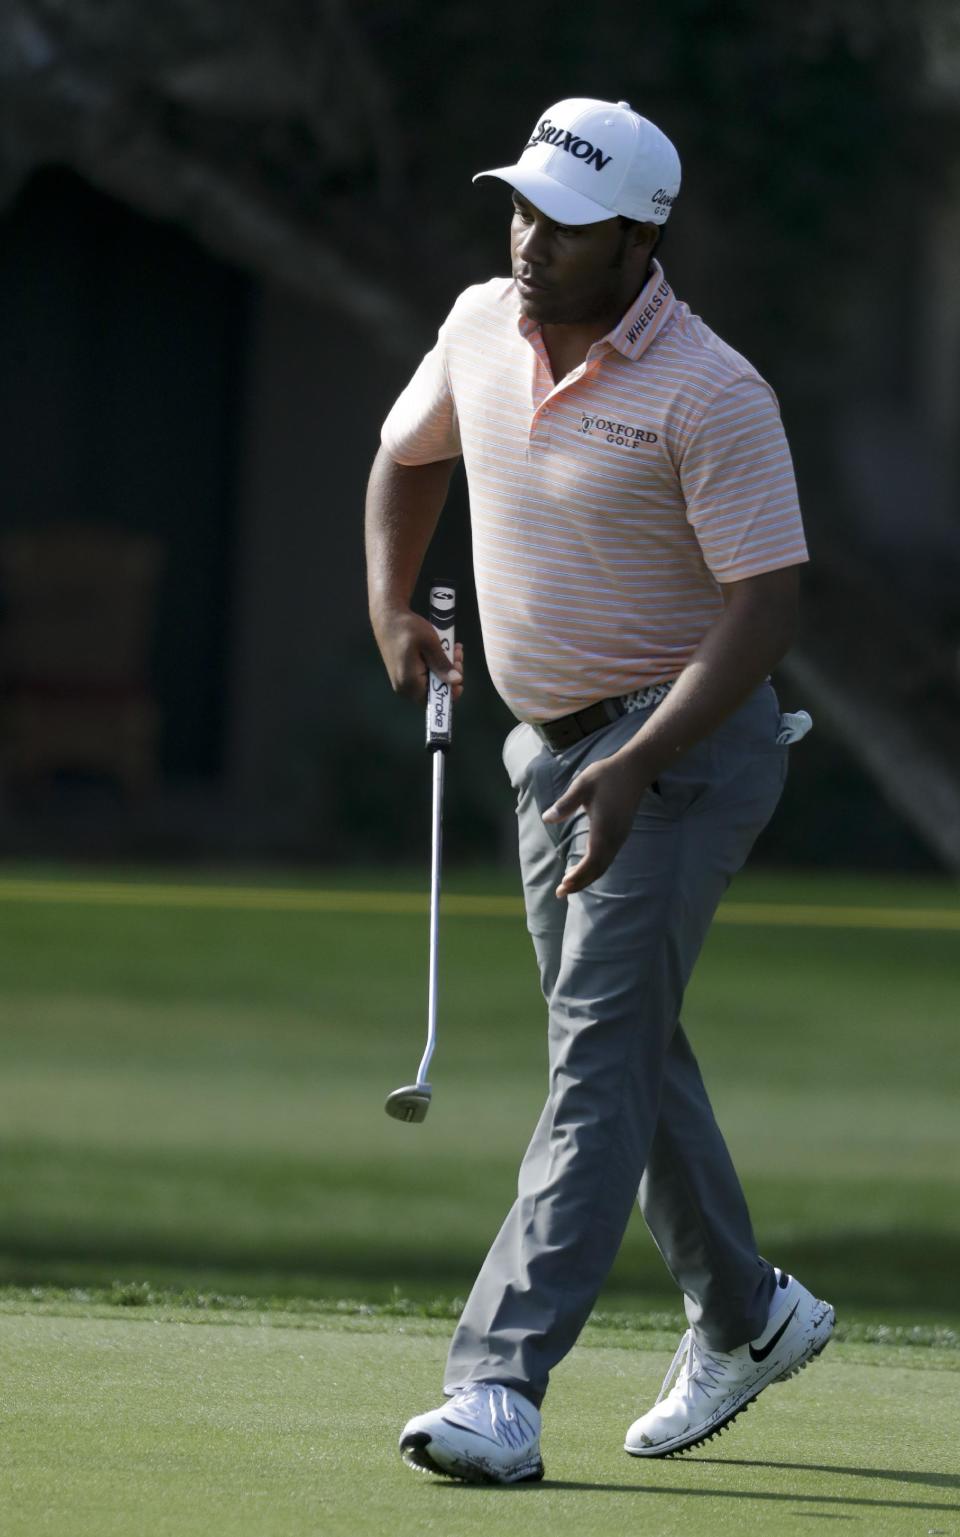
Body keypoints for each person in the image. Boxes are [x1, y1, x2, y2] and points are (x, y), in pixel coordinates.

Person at [365, 96, 834, 1486]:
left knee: (592, 1060)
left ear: (638, 238)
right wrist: (392, 605)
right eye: (519, 209)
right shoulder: (474, 325)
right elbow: (406, 457)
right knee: (620, 1053)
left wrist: (640, 759)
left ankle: (498, 1386)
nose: (531, 243)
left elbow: (767, 604)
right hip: (550, 755)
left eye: (565, 228)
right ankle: (748, 1313)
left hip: (684, 755)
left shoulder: (711, 390)